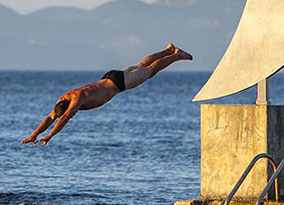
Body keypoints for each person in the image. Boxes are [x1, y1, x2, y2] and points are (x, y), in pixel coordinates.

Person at [22, 44, 193, 145]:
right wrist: (34, 134)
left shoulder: (75, 100)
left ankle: (176, 56)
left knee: (150, 70)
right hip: (110, 76)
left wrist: (50, 135)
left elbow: (64, 118)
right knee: (141, 65)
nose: (72, 113)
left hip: (118, 84)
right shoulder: (64, 98)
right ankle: (167, 49)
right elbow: (51, 117)